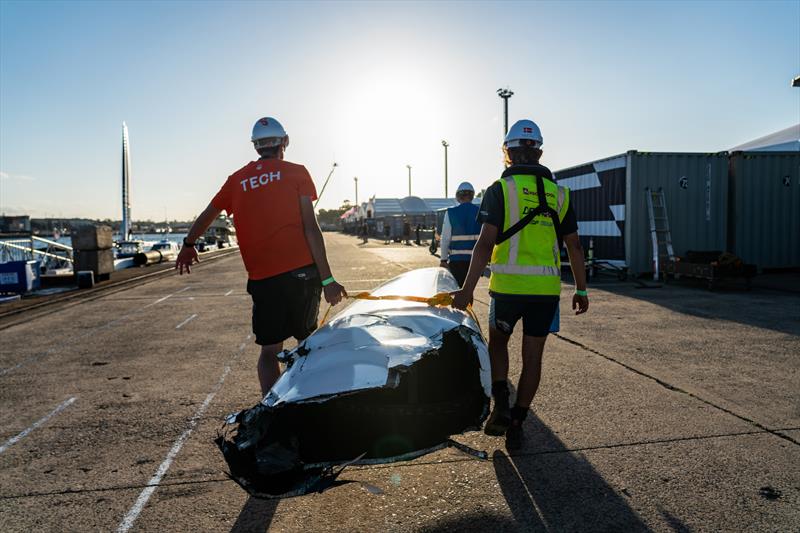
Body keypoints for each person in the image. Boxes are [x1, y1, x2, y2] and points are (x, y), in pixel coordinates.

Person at [175, 116, 347, 396]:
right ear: (285, 142)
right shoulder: (297, 173)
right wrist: (328, 280)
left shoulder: (237, 180)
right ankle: (310, 398)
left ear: (256, 147)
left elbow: (208, 213)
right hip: (301, 273)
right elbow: (311, 228)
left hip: (263, 278)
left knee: (269, 351)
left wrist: (188, 243)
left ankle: (271, 407)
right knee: (307, 342)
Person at [452, 119, 589, 450]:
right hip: (544, 293)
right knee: (534, 357)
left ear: (508, 154)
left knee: (497, 343)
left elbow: (485, 244)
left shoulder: (500, 191)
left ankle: (501, 396)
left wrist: (467, 289)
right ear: (539, 152)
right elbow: (574, 246)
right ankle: (517, 419)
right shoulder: (560, 194)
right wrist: (581, 289)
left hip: (507, 289)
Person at [439, 181, 481, 287]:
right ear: (472, 196)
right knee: (469, 291)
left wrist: (443, 259)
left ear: (458, 196)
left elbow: (445, 239)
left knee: (457, 291)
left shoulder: (451, 213)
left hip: (456, 261)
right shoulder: (480, 212)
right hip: (474, 261)